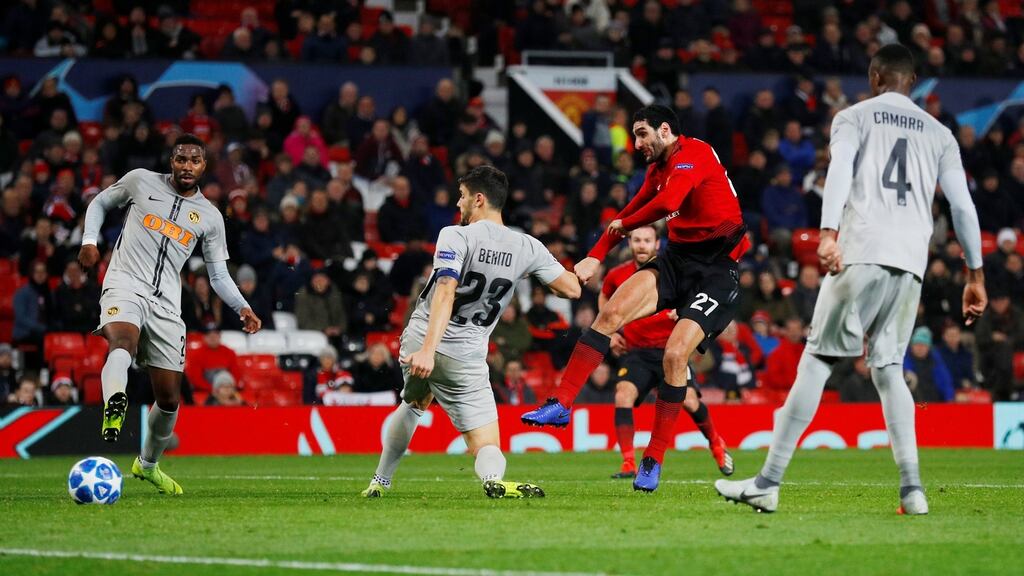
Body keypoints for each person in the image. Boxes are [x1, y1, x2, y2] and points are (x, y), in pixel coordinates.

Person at [715, 45, 987, 516]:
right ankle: (912, 490)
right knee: (888, 369)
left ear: (876, 76)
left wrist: (827, 233)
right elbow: (962, 207)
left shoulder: (854, 117)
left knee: (817, 361)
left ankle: (767, 482)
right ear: (913, 81)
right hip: (911, 265)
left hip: (862, 253)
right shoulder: (941, 133)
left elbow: (838, 169)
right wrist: (975, 273)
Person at [522, 104, 750, 493]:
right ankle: (561, 403)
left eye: (642, 133)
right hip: (679, 260)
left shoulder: (695, 153)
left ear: (665, 130)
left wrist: (623, 225)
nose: (637, 143)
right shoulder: (656, 170)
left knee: (676, 355)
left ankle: (653, 458)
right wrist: (596, 254)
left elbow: (663, 205)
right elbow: (631, 210)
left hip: (717, 270)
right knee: (609, 314)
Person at [361, 165, 581, 499]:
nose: (459, 205)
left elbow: (446, 289)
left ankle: (380, 481)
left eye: (462, 197)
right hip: (466, 355)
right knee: (486, 443)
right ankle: (492, 479)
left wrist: (428, 350)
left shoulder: (455, 235)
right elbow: (571, 290)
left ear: (479, 199)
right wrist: (574, 271)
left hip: (422, 340)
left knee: (413, 403)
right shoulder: (528, 247)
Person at [78, 133, 263, 496]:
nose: (187, 166)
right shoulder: (139, 181)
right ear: (171, 161)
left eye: (194, 160)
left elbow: (218, 274)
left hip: (166, 304)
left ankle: (147, 465)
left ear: (204, 166)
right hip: (124, 283)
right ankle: (115, 403)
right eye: (181, 159)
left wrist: (242, 306)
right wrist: (89, 241)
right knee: (122, 341)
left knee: (168, 399)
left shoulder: (210, 217)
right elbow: (100, 202)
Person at [602, 225, 733, 479]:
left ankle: (716, 444)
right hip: (637, 352)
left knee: (690, 401)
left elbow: (702, 303)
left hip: (671, 351)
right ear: (630, 243)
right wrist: (611, 332)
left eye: (647, 240)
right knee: (622, 394)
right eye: (636, 239)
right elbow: (605, 296)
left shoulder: (677, 273)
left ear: (657, 244)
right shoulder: (617, 275)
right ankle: (628, 463)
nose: (641, 245)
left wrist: (685, 313)